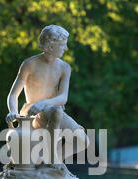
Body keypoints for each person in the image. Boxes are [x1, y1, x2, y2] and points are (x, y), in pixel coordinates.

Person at [5, 25, 88, 168]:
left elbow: (63, 98)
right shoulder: (29, 64)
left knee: (83, 140)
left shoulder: (64, 68)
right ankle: (50, 159)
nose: (65, 48)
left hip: (54, 110)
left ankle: (49, 160)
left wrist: (44, 103)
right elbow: (13, 94)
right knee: (56, 111)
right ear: (50, 47)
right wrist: (13, 111)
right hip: (33, 113)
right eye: (62, 45)